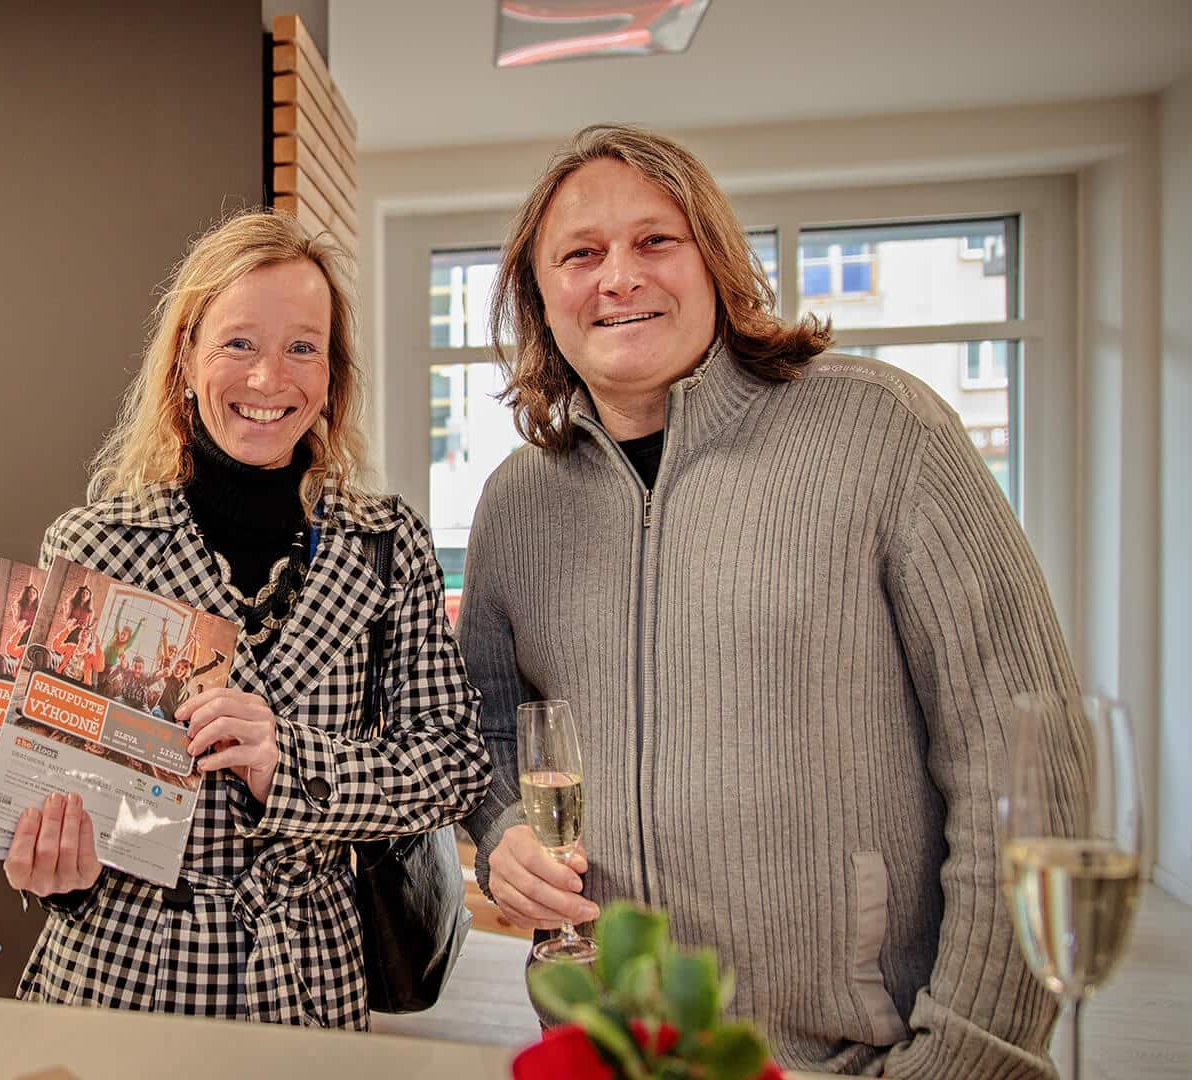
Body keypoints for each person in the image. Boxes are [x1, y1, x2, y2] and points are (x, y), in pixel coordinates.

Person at [458, 124, 1085, 1078]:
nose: (619, 276)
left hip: (861, 1058)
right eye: (580, 255)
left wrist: (971, 1057)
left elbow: (1027, 761)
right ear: (539, 298)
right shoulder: (516, 502)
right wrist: (506, 832)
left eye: (655, 240)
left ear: (715, 261)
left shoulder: (884, 430)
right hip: (616, 1046)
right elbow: (486, 731)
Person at [1, 209, 489, 1028]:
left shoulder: (385, 542)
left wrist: (287, 761)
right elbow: (42, 781)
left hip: (307, 982)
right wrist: (56, 871)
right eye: (238, 343)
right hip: (121, 978)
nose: (269, 378)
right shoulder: (93, 546)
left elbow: (454, 763)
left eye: (302, 347)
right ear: (186, 360)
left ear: (331, 375)